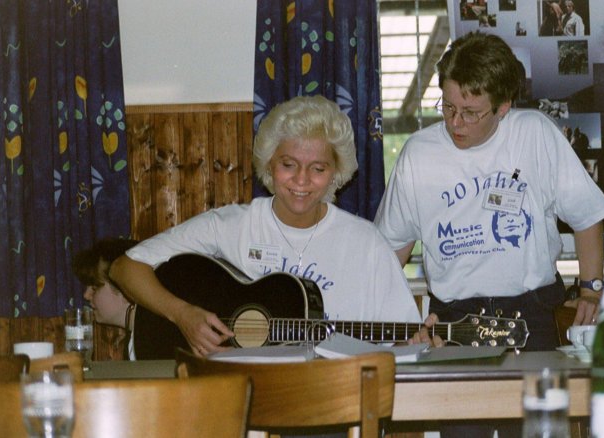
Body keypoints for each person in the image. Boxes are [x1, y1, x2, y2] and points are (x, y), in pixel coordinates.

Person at [374, 31, 604, 436]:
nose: (454, 122)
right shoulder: (418, 154)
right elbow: (389, 255)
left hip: (532, 318)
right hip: (454, 329)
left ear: (502, 108)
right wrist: (401, 324)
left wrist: (590, 289)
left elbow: (587, 215)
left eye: (470, 112)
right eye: (448, 107)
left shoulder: (534, 133)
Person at [109, 95, 422, 359]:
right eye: (288, 165)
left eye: (318, 168)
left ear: (336, 173)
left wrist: (417, 343)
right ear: (269, 164)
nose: (301, 180)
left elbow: (403, 339)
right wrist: (182, 315)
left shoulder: (367, 244)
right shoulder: (231, 226)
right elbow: (125, 268)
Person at [74, 237, 192, 360]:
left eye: (95, 288)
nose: (86, 295)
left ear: (125, 288)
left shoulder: (161, 338)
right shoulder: (137, 338)